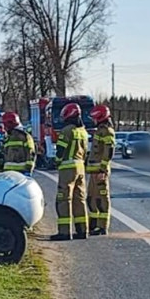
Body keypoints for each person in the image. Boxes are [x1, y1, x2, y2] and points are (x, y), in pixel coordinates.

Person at [51, 102, 89, 241]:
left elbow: (60, 151)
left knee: (64, 199)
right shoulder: (83, 132)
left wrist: (56, 161)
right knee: (79, 199)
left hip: (67, 168)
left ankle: (65, 232)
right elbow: (85, 152)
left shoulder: (67, 131)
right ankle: (82, 230)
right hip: (80, 167)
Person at [86, 105, 116, 236]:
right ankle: (93, 225)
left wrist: (102, 170)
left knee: (102, 199)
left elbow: (108, 152)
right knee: (91, 199)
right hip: (94, 171)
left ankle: (103, 226)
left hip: (99, 172)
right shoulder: (99, 131)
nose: (93, 120)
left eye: (94, 118)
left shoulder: (107, 131)